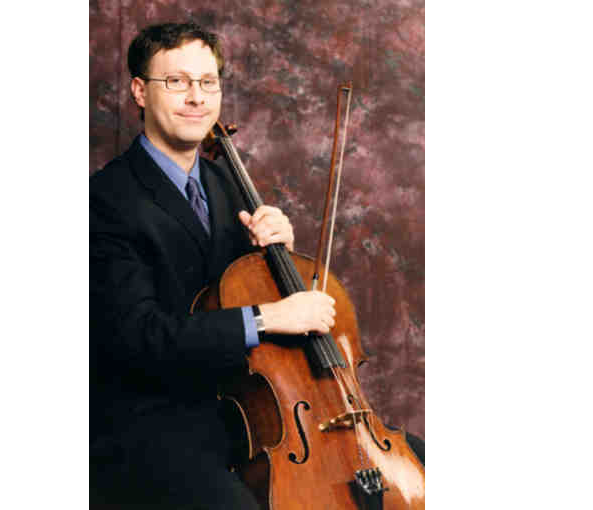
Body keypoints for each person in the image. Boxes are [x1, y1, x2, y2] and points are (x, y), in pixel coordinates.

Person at [90, 22, 423, 509]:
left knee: (423, 461)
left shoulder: (224, 181)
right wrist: (269, 317)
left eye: (208, 82)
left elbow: (233, 287)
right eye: (177, 81)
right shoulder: (106, 199)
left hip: (249, 409)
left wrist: (276, 254)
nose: (196, 97)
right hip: (154, 425)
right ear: (140, 91)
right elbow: (139, 336)